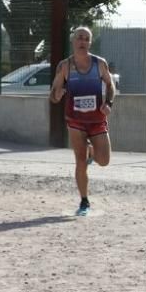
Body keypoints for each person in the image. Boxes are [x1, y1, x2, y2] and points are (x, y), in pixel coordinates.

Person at [49, 26, 116, 216]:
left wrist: (108, 102)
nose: (83, 42)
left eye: (86, 39)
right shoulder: (64, 66)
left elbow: (110, 86)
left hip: (97, 120)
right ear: (73, 41)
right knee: (80, 161)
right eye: (79, 38)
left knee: (104, 161)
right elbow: (52, 96)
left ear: (90, 42)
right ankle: (84, 201)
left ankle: (92, 150)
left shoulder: (99, 64)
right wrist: (58, 94)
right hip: (75, 121)